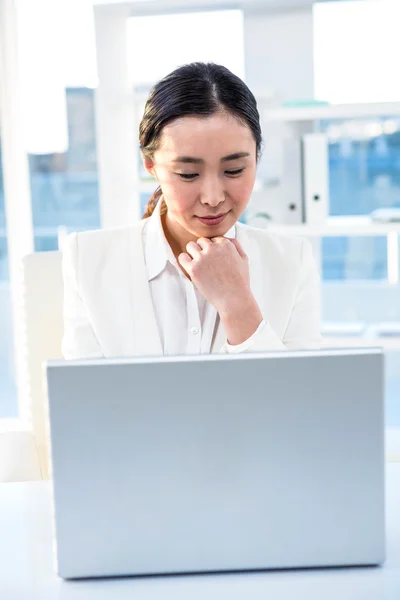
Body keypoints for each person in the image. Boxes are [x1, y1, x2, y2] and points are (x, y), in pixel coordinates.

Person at [62, 62, 321, 360]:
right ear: (151, 167)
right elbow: (85, 399)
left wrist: (237, 304)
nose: (212, 198)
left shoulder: (292, 262)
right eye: (187, 174)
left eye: (234, 170)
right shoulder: (89, 259)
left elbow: (299, 399)